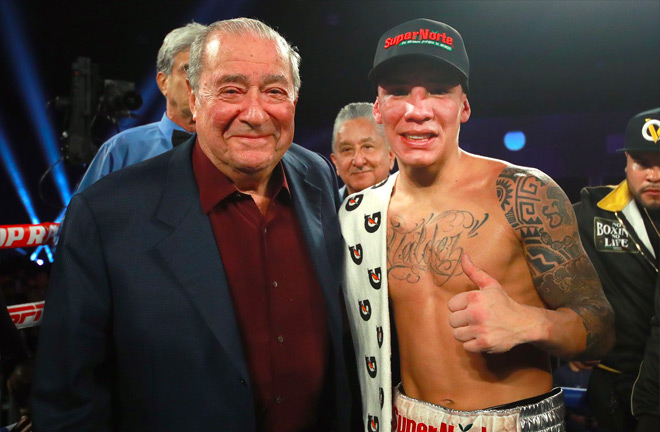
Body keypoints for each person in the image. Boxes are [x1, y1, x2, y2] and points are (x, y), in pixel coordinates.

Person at [32, 18, 352, 431]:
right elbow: (68, 398)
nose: (255, 113)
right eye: (231, 90)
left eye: (274, 91)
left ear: (294, 100)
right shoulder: (106, 212)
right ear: (195, 99)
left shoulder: (317, 176)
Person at [339, 18, 615, 432]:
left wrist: (530, 323)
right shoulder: (360, 215)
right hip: (405, 419)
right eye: (398, 92)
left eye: (437, 90)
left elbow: (602, 326)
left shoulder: (524, 193)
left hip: (518, 421)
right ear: (378, 109)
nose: (418, 110)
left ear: (463, 107)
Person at [573, 107, 660, 431]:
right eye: (643, 163)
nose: (654, 175)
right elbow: (539, 267)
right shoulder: (591, 215)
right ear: (626, 162)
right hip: (613, 385)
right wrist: (570, 332)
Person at [75, 22, 206, 193]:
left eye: (205, 72)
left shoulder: (232, 150)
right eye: (187, 70)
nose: (198, 81)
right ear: (163, 82)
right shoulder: (121, 149)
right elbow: (80, 218)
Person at [330, 102, 395, 199]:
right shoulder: (323, 211)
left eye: (367, 147)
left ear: (391, 155)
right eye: (347, 149)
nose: (358, 161)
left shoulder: (417, 207)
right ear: (335, 162)